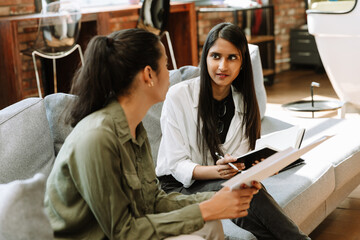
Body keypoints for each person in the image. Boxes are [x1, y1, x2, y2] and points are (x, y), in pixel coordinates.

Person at [44, 28, 263, 240]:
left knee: (209, 224)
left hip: (128, 230)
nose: (170, 74)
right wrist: (204, 210)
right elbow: (123, 233)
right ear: (149, 74)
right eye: (165, 66)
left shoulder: (135, 130)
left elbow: (153, 202)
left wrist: (218, 200)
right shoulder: (97, 137)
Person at [156, 22, 311, 240]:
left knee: (247, 192)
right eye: (216, 56)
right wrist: (216, 172)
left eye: (232, 58)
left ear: (242, 63)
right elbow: (175, 163)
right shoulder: (178, 96)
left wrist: (255, 166)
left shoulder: (244, 102)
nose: (222, 66)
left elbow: (241, 159)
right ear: (205, 58)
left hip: (221, 181)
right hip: (177, 187)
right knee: (241, 190)